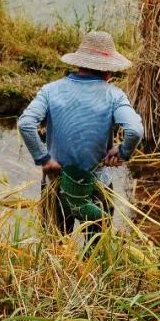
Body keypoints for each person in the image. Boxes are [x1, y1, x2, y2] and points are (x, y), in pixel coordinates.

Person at [17, 31, 144, 243]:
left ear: (79, 65)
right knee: (95, 252)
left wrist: (45, 159)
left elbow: (25, 123)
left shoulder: (50, 91)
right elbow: (135, 130)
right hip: (97, 186)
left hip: (55, 183)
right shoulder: (114, 95)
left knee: (53, 249)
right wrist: (122, 152)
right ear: (108, 71)